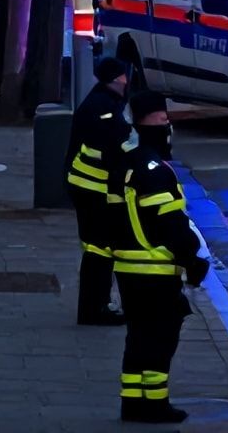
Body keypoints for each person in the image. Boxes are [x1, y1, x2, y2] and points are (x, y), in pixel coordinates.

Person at [110, 91, 208, 424]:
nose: (168, 126)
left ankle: (132, 401)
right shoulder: (154, 169)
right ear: (147, 121)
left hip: (127, 266)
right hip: (154, 268)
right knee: (160, 338)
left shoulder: (126, 162)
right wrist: (193, 258)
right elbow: (170, 223)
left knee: (138, 336)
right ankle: (154, 403)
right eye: (164, 119)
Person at [66, 57, 134, 325]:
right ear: (116, 79)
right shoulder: (104, 108)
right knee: (99, 251)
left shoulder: (104, 102)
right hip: (93, 189)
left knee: (98, 251)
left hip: (90, 187)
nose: (126, 82)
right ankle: (95, 310)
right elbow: (114, 148)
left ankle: (96, 306)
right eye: (123, 77)